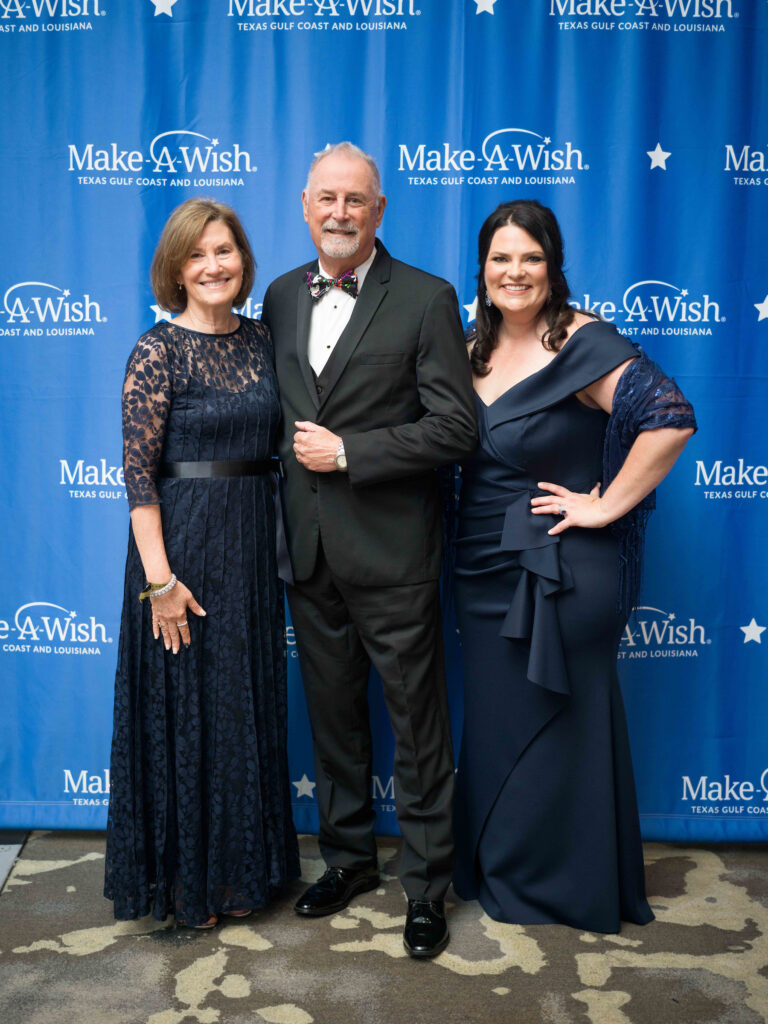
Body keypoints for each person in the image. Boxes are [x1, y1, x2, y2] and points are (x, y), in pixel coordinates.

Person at [453, 200, 696, 933]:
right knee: (499, 721)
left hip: (563, 569)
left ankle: (571, 884)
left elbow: (670, 416)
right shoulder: (468, 348)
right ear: (483, 269)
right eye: (501, 258)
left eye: (530, 257)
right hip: (480, 567)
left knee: (566, 719)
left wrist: (607, 506)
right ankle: (505, 868)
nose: (515, 272)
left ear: (553, 266)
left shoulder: (583, 341)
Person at [260, 142, 477, 957]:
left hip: (394, 557)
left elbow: (457, 427)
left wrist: (351, 452)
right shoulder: (280, 295)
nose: (340, 213)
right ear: (306, 206)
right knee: (333, 722)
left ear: (379, 210)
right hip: (307, 553)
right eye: (327, 199)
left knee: (418, 729)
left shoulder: (426, 298)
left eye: (356, 200)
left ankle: (427, 887)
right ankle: (347, 859)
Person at [104, 198, 300, 928]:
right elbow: (139, 475)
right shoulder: (156, 351)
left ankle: (243, 870)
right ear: (175, 269)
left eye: (224, 251)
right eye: (197, 255)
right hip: (180, 551)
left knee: (242, 706)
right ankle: (188, 882)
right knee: (186, 711)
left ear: (243, 259)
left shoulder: (260, 341)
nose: (213, 265)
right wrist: (159, 581)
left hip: (252, 545)